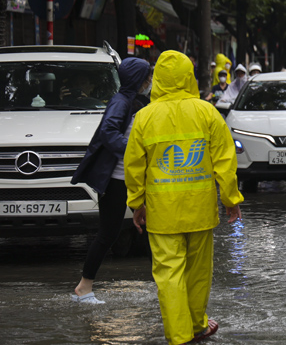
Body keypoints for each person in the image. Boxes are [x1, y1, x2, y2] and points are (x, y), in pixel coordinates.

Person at [124, 51, 244, 345]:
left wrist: (136, 203)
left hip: (161, 212)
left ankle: (179, 337)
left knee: (169, 274)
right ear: (189, 76)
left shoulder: (144, 117)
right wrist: (230, 199)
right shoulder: (207, 112)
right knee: (198, 271)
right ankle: (197, 325)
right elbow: (225, 159)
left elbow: (134, 165)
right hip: (199, 208)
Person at [69, 58, 152, 304]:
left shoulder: (134, 101)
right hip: (116, 182)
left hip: (131, 180)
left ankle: (166, 286)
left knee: (150, 233)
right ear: (138, 79)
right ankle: (84, 288)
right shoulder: (121, 102)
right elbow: (108, 133)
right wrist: (136, 149)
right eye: (147, 77)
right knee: (108, 235)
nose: (149, 82)